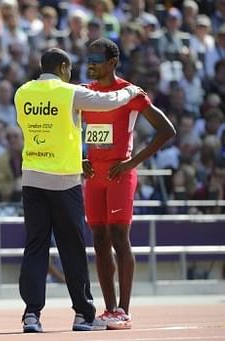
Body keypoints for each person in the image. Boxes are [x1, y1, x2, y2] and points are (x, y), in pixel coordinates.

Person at [14, 47, 145, 333]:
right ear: (62, 67)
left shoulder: (22, 92)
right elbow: (108, 101)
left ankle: (31, 315)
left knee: (35, 246)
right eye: (69, 69)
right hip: (63, 180)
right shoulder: (68, 92)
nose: (72, 73)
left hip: (32, 179)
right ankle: (83, 315)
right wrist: (132, 91)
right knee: (71, 247)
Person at [82, 38, 176, 330]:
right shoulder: (84, 93)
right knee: (98, 240)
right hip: (93, 175)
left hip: (120, 172)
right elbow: (71, 128)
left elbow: (166, 130)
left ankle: (124, 309)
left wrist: (133, 162)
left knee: (119, 236)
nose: (91, 64)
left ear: (112, 63)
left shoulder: (130, 93)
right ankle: (108, 309)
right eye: (89, 58)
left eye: (97, 59)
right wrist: (77, 157)